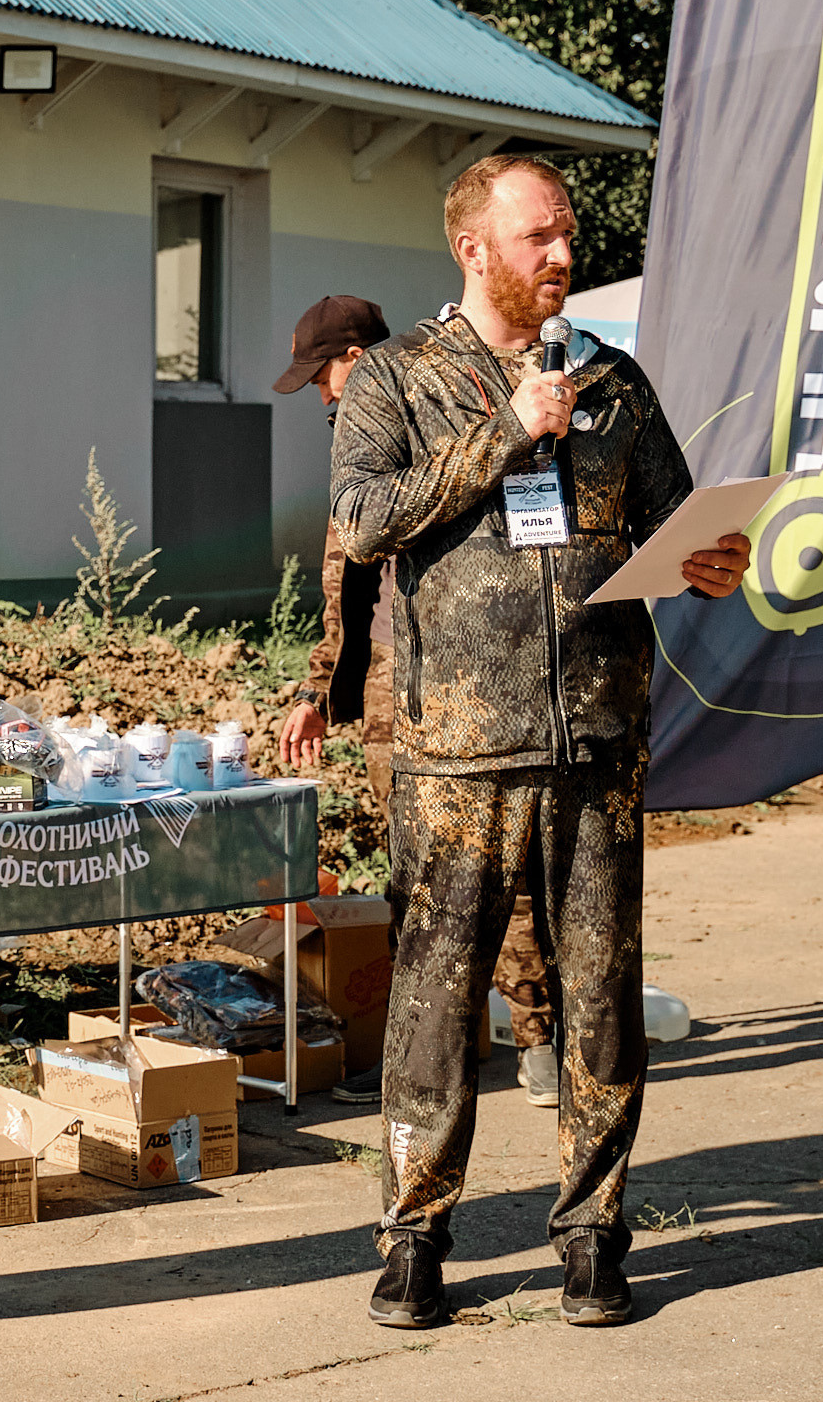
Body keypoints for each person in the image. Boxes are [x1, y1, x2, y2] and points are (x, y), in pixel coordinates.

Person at [330, 154, 751, 1328]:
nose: (564, 253)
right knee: (433, 1001)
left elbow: (667, 521)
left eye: (567, 233)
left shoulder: (614, 383)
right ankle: (415, 1236)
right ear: (475, 249)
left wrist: (708, 563)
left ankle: (592, 1234)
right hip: (459, 751)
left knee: (602, 997)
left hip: (599, 742)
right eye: (540, 238)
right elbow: (362, 522)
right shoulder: (399, 379)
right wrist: (504, 434)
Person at [279, 298, 562, 1113]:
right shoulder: (357, 446)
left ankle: (541, 1040)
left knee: (497, 866)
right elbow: (347, 588)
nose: (323, 398)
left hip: (470, 675)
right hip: (385, 695)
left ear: (359, 356)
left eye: (324, 376)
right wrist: (315, 690)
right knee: (418, 882)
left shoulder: (454, 409)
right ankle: (423, 1059)